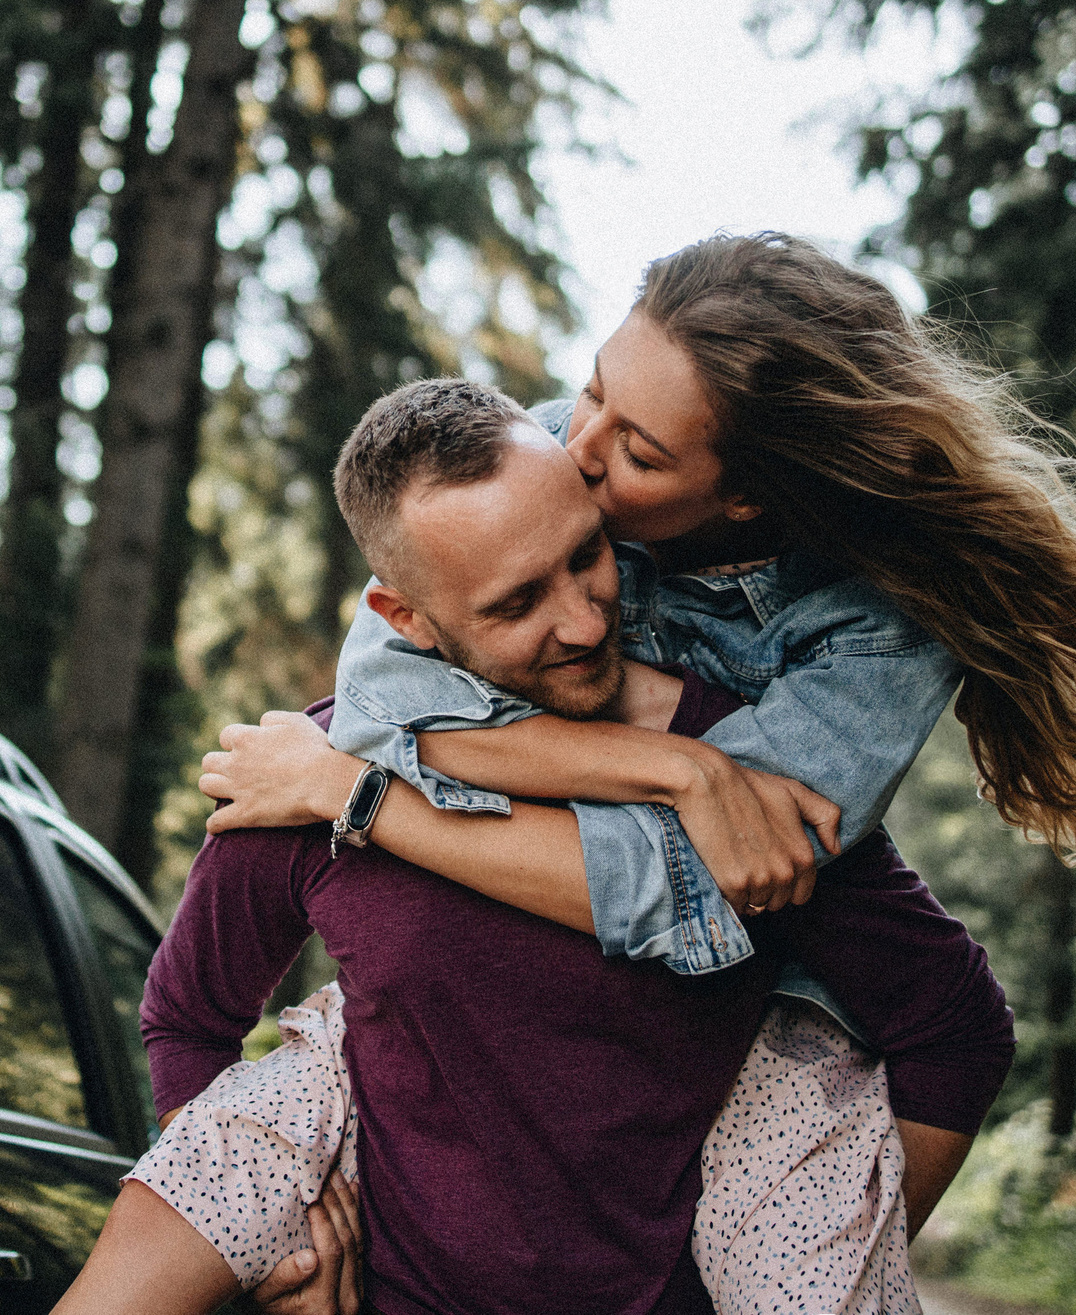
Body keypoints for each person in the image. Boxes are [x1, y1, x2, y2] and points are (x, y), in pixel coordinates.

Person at [54, 377, 1016, 1315]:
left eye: (588, 555)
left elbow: (954, 1027)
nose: (587, 620)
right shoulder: (308, 772)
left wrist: (828, 1240)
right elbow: (187, 1017)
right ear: (407, 621)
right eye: (517, 604)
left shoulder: (740, 762)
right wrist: (289, 1265)